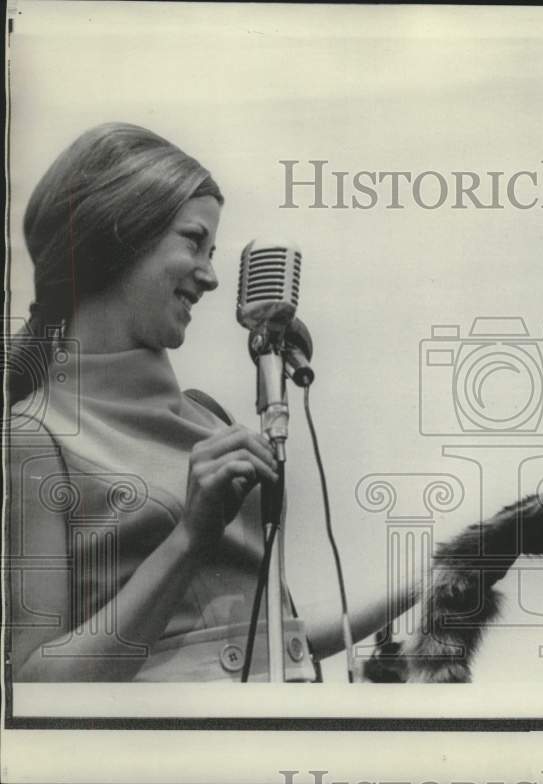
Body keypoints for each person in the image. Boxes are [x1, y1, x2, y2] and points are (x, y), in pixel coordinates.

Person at [7, 123, 410, 681]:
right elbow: (33, 681)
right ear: (116, 237)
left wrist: (437, 574)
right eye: (193, 241)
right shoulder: (35, 433)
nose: (213, 276)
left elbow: (264, 638)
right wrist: (192, 534)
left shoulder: (208, 418)